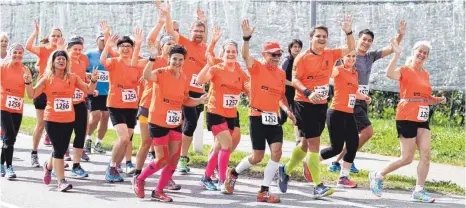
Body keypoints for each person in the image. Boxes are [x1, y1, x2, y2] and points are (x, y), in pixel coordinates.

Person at [277, 14, 355, 198]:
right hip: (304, 103)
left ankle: (285, 169)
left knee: (305, 143)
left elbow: (351, 48)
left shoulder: (330, 53)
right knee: (314, 143)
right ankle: (317, 185)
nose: (321, 39)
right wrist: (308, 93)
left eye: (324, 36)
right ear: (311, 38)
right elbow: (295, 79)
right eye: (318, 36)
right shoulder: (302, 58)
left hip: (321, 104)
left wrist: (348, 31)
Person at [221, 20, 296, 203]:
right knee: (257, 157)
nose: (277, 57)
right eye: (273, 54)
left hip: (273, 117)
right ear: (264, 55)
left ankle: (264, 191)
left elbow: (280, 96)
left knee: (277, 152)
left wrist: (287, 110)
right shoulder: (257, 67)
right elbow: (245, 55)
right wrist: (246, 38)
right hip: (256, 116)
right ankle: (234, 172)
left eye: (279, 54)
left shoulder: (280, 73)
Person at [369, 40, 446, 203]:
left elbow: (425, 96)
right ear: (414, 51)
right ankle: (378, 175)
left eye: (425, 53)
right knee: (407, 157)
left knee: (426, 154)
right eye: (420, 51)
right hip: (406, 115)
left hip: (422, 117)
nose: (422, 54)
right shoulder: (404, 70)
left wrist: (436, 100)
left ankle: (419, 190)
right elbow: (389, 74)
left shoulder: (425, 74)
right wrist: (396, 54)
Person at [327, 20, 407, 173]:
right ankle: (345, 159)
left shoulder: (370, 56)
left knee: (355, 135)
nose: (366, 42)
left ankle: (340, 162)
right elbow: (335, 72)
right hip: (350, 99)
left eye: (369, 40)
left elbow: (392, 48)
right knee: (367, 131)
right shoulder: (348, 55)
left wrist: (400, 35)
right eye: (364, 39)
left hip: (361, 99)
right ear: (358, 39)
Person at [131, 45, 207, 202]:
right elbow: (146, 76)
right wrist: (151, 59)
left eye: (180, 60)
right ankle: (139, 179)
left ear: (184, 61)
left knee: (174, 158)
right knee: (162, 159)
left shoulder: (184, 77)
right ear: (169, 59)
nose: (177, 62)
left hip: (174, 121)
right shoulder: (161, 72)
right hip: (158, 120)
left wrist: (199, 100)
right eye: (174, 59)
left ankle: (158, 191)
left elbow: (186, 99)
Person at [24, 50, 98, 191]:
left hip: (68, 118)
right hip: (51, 119)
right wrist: (28, 82)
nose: (61, 61)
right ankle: (61, 181)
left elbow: (88, 90)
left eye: (63, 59)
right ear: (53, 62)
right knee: (59, 150)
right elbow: (31, 94)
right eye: (58, 59)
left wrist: (93, 80)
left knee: (61, 149)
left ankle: (48, 166)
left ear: (67, 62)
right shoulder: (47, 78)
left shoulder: (73, 78)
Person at [158, 2, 209, 174]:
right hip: (184, 91)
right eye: (196, 31)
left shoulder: (205, 48)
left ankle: (173, 154)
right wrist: (167, 13)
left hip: (199, 92)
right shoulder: (185, 42)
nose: (198, 34)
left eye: (201, 32)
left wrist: (204, 22)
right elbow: (171, 31)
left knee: (184, 125)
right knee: (190, 122)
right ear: (191, 32)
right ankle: (182, 158)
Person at [196, 36, 248, 194]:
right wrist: (208, 64)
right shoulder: (216, 68)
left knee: (218, 148)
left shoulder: (239, 71)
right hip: (215, 112)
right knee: (227, 145)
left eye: (233, 51)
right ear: (223, 53)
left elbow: (249, 88)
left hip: (231, 114)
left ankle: (206, 177)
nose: (231, 54)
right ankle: (221, 181)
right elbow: (199, 80)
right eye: (228, 51)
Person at [319, 50, 371, 188]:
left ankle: (343, 177)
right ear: (342, 58)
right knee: (336, 148)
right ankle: (310, 162)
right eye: (348, 56)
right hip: (336, 112)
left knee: (353, 144)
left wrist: (364, 97)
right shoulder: (338, 70)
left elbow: (353, 91)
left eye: (354, 56)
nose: (352, 58)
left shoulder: (355, 73)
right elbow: (327, 71)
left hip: (348, 113)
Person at [100, 29, 143, 182]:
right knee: (124, 137)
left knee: (127, 139)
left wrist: (138, 44)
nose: (125, 49)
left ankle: (115, 166)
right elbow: (103, 61)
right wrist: (107, 45)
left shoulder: (136, 64)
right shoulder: (114, 61)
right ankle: (111, 167)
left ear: (132, 49)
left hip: (131, 105)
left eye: (128, 46)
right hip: (116, 104)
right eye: (122, 46)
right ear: (118, 49)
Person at [26, 20, 65, 168]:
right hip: (43, 90)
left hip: (58, 92)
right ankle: (34, 153)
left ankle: (58, 157)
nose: (55, 38)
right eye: (53, 35)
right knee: (41, 124)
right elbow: (28, 46)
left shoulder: (64, 52)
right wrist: (35, 33)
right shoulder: (43, 50)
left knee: (60, 125)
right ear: (48, 38)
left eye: (58, 35)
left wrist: (62, 49)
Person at [0, 43, 32, 179]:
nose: (17, 55)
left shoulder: (25, 70)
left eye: (20, 53)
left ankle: (1, 163)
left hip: (17, 108)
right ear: (10, 53)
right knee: (9, 136)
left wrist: (29, 82)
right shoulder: (2, 68)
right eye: (15, 52)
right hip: (3, 106)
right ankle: (9, 167)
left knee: (11, 139)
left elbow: (30, 95)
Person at [67, 37, 92, 177]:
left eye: (80, 50)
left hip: (80, 103)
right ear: (68, 49)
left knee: (80, 134)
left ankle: (76, 166)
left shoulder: (82, 62)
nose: (77, 52)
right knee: (63, 136)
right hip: (66, 105)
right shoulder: (64, 62)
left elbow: (81, 80)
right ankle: (51, 165)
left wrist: (89, 88)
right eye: (75, 49)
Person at [84, 33, 109, 154]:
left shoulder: (112, 55)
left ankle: (98, 142)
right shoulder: (89, 55)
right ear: (96, 41)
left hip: (108, 92)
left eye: (106, 40)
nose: (103, 42)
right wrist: (91, 78)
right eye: (101, 40)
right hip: (94, 90)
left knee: (105, 116)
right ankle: (87, 139)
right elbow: (82, 72)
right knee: (96, 116)